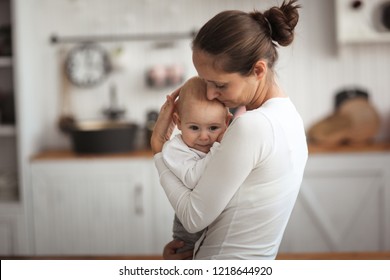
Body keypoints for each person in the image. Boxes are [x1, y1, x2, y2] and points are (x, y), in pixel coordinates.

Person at [152, 0, 308, 260]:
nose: (211, 94)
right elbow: (239, 211)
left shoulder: (251, 126)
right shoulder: (289, 116)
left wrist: (158, 151)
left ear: (258, 70)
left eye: (220, 85)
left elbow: (192, 217)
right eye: (205, 82)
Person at [161, 76, 230, 256]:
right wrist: (218, 148)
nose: (204, 137)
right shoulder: (175, 148)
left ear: (227, 123)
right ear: (178, 121)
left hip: (219, 224)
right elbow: (193, 179)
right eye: (194, 128)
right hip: (189, 233)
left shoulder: (228, 143)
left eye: (213, 128)